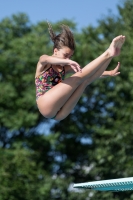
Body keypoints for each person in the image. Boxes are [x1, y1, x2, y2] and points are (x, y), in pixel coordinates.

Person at [35, 22, 125, 121]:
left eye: (70, 57)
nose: (68, 59)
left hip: (59, 114)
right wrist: (66, 61)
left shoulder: (65, 68)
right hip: (45, 103)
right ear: (56, 51)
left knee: (85, 81)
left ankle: (110, 55)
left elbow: (88, 71)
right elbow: (46, 59)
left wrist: (109, 73)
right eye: (66, 55)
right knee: (78, 78)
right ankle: (108, 53)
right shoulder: (44, 61)